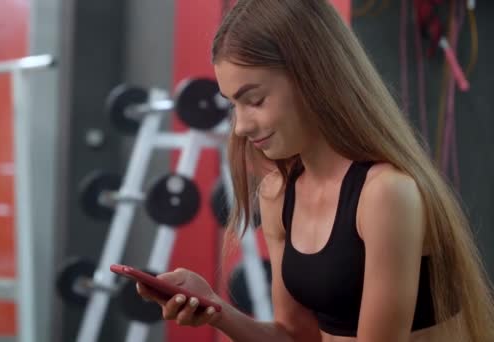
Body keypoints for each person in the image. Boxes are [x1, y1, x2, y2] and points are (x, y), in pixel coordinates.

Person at [136, 0, 494, 341]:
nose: (241, 126)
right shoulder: (278, 194)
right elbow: (295, 337)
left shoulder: (385, 194)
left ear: (313, 76)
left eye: (255, 100)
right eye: (233, 105)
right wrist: (216, 310)